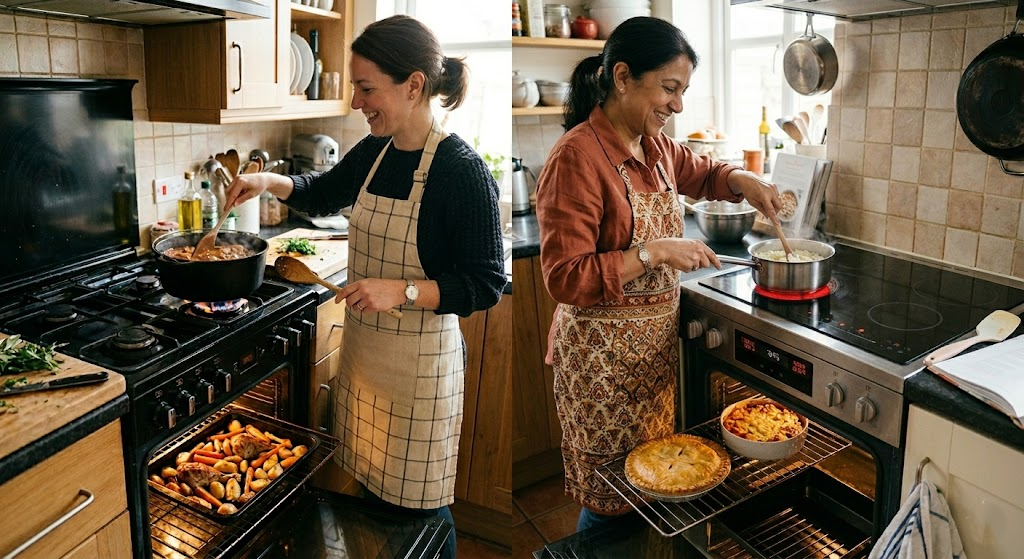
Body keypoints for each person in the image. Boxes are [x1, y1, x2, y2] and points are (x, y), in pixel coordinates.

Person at [223, 15, 506, 558]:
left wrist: (401, 291)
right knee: (374, 500)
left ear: (415, 85)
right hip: (365, 358)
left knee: (419, 509)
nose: (357, 101)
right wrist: (267, 181)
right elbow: (323, 191)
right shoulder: (376, 150)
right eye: (356, 87)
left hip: (420, 371)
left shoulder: (460, 169)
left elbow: (485, 283)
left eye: (367, 88)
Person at [535, 16, 784, 533]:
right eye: (669, 88)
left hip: (648, 360)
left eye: (683, 90)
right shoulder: (577, 157)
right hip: (599, 367)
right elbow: (565, 278)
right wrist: (655, 253)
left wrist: (744, 179)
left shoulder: (655, 147)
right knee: (610, 504)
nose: (678, 104)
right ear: (623, 77)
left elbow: (706, 171)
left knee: (651, 485)